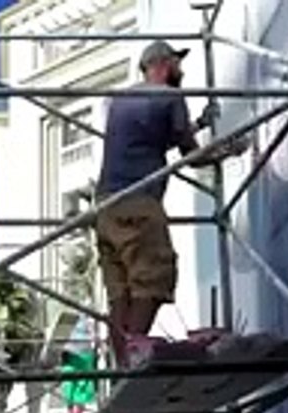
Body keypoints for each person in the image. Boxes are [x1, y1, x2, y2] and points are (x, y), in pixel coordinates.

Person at [94, 40, 250, 365]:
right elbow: (191, 157)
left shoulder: (121, 101)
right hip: (139, 201)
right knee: (153, 275)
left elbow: (152, 140)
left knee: (120, 290)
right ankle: (135, 356)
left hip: (106, 205)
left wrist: (200, 124)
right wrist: (230, 149)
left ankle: (121, 365)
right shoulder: (172, 96)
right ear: (164, 65)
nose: (181, 70)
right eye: (177, 64)